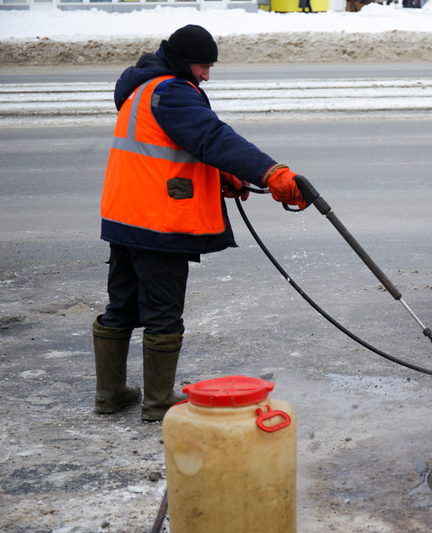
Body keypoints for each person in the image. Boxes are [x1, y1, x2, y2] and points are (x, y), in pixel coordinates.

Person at [92, 24, 309, 421]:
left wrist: (218, 175)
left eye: (210, 66)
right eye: (202, 66)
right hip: (157, 223)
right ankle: (158, 403)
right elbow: (213, 137)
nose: (207, 75)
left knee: (121, 306)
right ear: (179, 61)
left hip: (124, 216)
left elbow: (174, 146)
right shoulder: (171, 91)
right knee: (162, 313)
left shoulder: (142, 88)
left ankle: (110, 396)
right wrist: (272, 173)